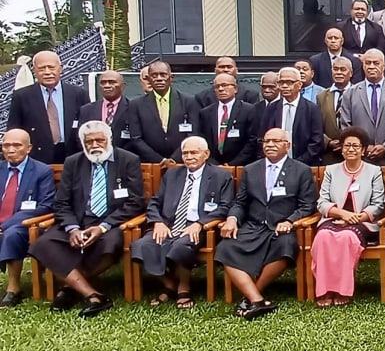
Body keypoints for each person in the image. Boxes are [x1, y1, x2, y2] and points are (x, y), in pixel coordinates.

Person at [28, 121, 144, 317]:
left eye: (100, 140)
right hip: (78, 220)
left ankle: (69, 288)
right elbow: (61, 203)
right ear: (83, 143)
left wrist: (103, 227)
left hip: (111, 222)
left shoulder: (128, 160)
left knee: (111, 244)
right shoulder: (73, 162)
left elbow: (136, 202)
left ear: (109, 140)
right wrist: (72, 228)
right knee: (43, 243)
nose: (95, 145)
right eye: (89, 142)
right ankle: (93, 295)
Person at [217, 128, 317, 320]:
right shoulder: (251, 169)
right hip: (253, 225)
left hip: (282, 226)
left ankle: (252, 296)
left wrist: (290, 220)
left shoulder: (301, 170)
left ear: (287, 146)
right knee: (225, 247)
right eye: (266, 141)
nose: (270, 145)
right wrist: (232, 219)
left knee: (286, 246)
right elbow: (240, 202)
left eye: (276, 141)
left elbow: (308, 205)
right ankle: (256, 300)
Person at [131, 136, 233, 310]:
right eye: (185, 153)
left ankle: (184, 287)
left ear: (206, 154)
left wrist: (201, 223)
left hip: (199, 227)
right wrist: (158, 222)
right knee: (141, 245)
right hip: (169, 224)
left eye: (194, 152)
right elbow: (155, 202)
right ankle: (169, 283)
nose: (189, 157)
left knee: (181, 244)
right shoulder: (172, 174)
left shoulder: (221, 176)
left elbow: (225, 207)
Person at [313, 126, 385, 306]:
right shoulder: (331, 170)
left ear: (363, 150)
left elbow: (378, 205)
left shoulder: (373, 172)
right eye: (347, 146)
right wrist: (342, 213)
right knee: (323, 237)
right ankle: (325, 290)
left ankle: (341, 290)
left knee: (346, 237)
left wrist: (357, 217)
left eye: (355, 146)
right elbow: (322, 202)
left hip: (362, 222)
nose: (351, 149)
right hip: (333, 218)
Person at [0, 129, 56, 307]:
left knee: (13, 233)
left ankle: (13, 288)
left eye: (17, 145)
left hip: (26, 224)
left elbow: (46, 205)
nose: (11, 150)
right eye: (6, 145)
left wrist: (6, 225)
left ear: (29, 148)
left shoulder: (42, 171)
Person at [7, 50, 90, 165]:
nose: (47, 72)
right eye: (41, 68)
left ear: (60, 69)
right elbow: (14, 128)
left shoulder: (79, 94)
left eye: (51, 67)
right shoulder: (22, 96)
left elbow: (88, 126)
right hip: (36, 158)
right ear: (34, 71)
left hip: (73, 156)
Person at [339, 49, 385, 166]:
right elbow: (345, 125)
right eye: (368, 63)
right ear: (363, 66)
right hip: (361, 158)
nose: (371, 66)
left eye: (376, 63)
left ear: (384, 66)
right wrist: (363, 146)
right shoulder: (350, 93)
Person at [128, 60, 199, 167]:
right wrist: (160, 160)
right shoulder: (136, 104)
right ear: (149, 79)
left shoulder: (188, 101)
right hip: (151, 164)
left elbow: (193, 133)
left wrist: (174, 159)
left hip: (182, 162)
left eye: (163, 75)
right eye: (154, 75)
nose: (159, 79)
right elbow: (136, 138)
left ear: (171, 78)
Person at [261, 66, 324, 166]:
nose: (285, 86)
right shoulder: (271, 108)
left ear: (299, 85)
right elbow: (263, 136)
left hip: (305, 164)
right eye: (281, 82)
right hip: (275, 164)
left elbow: (317, 141)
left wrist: (298, 163)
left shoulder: (312, 109)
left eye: (289, 82)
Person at [198, 74, 258, 167]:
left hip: (240, 166)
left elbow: (252, 141)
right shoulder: (206, 113)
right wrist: (213, 164)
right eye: (217, 86)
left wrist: (231, 165)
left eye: (225, 85)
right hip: (213, 166)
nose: (221, 89)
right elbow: (203, 140)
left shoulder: (248, 110)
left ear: (235, 89)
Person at [75, 70, 132, 152]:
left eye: (112, 82)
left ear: (122, 86)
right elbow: (80, 136)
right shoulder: (86, 110)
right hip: (94, 156)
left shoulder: (133, 108)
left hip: (124, 159)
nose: (107, 86)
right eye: (103, 83)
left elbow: (135, 138)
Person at [317, 56, 353, 165]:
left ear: (350, 73)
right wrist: (329, 142)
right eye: (335, 69)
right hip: (330, 155)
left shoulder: (359, 93)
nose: (339, 72)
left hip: (354, 152)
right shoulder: (321, 96)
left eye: (343, 69)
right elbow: (316, 126)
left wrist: (348, 143)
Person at [193, 56, 261, 108]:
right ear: (215, 70)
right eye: (222, 67)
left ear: (236, 70)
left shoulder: (250, 95)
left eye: (229, 67)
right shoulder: (202, 97)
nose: (225, 70)